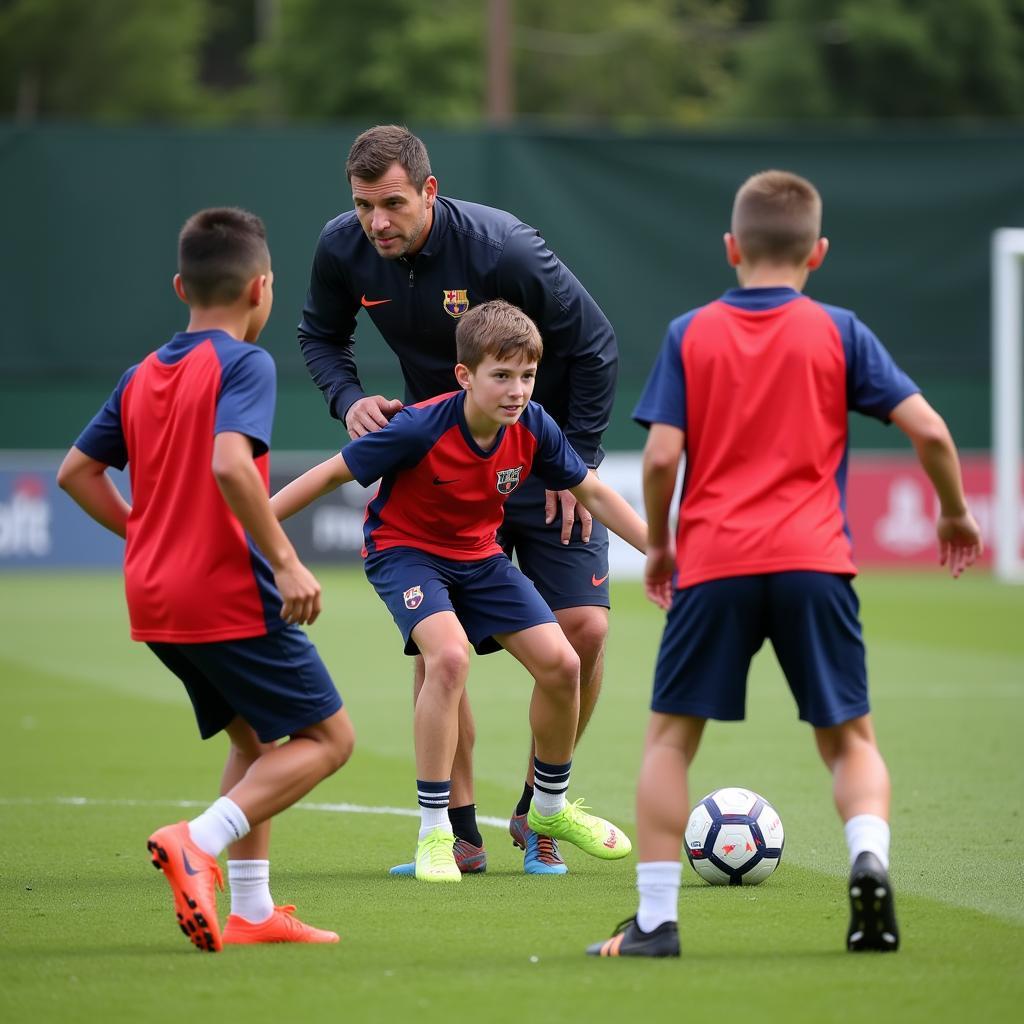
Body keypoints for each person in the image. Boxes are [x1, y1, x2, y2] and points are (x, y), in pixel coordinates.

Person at [586, 170, 983, 958]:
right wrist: (955, 510)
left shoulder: (691, 332)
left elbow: (662, 455)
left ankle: (656, 925)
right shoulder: (840, 330)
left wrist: (660, 541)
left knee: (670, 741)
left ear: (732, 248)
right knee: (849, 741)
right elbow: (933, 432)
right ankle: (868, 857)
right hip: (815, 561)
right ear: (818, 252)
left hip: (716, 563)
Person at [298, 125, 618, 876]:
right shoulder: (342, 247)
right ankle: (459, 830)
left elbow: (595, 344)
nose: (377, 221)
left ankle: (542, 807)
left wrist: (580, 463)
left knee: (586, 633)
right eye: (364, 204)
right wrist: (347, 399)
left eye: (394, 203)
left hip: (544, 448)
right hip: (441, 454)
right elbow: (320, 335)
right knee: (440, 649)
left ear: (430, 193)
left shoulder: (504, 249)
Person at [57, 207, 355, 952]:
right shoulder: (244, 363)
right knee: (329, 738)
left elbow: (76, 474)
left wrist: (143, 530)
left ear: (179, 285)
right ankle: (198, 840)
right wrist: (286, 560)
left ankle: (252, 912)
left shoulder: (142, 374)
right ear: (262, 288)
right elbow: (229, 463)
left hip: (152, 594)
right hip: (222, 590)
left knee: (255, 736)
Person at [274, 299, 642, 882]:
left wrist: (667, 556)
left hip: (479, 557)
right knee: (447, 657)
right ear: (465, 376)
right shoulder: (420, 426)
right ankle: (434, 835)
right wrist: (257, 538)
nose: (517, 390)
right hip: (406, 554)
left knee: (563, 665)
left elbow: (593, 493)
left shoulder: (534, 425)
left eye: (527, 375)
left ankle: (547, 813)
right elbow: (330, 475)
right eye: (502, 375)